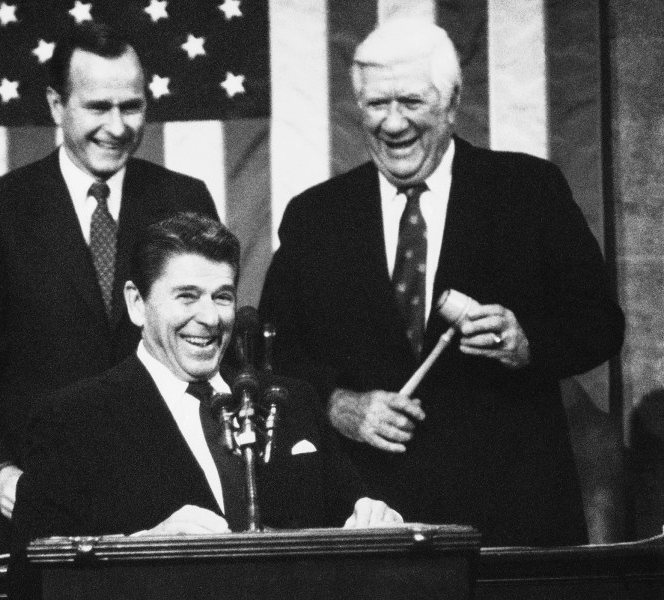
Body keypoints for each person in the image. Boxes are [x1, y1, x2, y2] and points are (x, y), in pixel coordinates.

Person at [258, 19, 625, 547]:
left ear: (451, 104)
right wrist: (338, 404)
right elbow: (273, 354)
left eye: (411, 101)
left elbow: (601, 324)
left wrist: (526, 341)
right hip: (368, 520)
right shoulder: (316, 217)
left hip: (512, 515)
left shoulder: (528, 191)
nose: (392, 122)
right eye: (376, 104)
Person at [0, 23, 218, 557]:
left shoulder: (184, 200)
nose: (117, 126)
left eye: (131, 107)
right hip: (38, 507)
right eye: (98, 107)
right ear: (56, 105)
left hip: (168, 508)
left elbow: (208, 349)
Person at [9, 213, 401, 598]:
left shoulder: (292, 401)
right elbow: (31, 584)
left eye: (222, 297)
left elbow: (357, 520)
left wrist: (379, 522)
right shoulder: (71, 421)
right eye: (187, 296)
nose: (210, 318)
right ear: (137, 303)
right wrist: (137, 551)